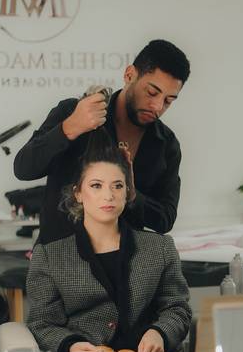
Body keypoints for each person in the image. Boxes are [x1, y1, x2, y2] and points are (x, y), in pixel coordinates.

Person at [26, 128, 192, 352]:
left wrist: (160, 333)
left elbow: (177, 308)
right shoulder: (50, 256)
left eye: (117, 186)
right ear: (78, 193)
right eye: (96, 185)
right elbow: (41, 323)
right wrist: (70, 345)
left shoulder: (160, 248)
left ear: (128, 192)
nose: (109, 195)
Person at [14, 39, 190, 243]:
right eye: (152, 93)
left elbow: (165, 219)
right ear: (129, 75)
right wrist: (70, 127)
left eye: (168, 100)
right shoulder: (72, 112)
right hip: (58, 257)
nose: (157, 106)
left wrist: (132, 195)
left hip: (124, 260)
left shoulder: (167, 144)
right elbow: (23, 169)